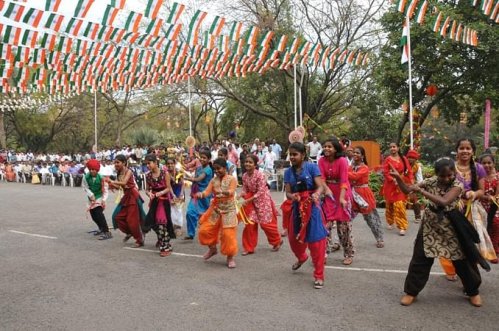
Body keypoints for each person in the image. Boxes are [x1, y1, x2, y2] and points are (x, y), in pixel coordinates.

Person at [393, 157, 485, 307]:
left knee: (461, 259)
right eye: (443, 176)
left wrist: (421, 191)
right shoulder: (431, 181)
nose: (447, 178)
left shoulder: (458, 185)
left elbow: (443, 201)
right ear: (437, 174)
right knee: (420, 258)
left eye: (450, 175)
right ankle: (411, 292)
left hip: (451, 224)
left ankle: (473, 291)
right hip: (430, 225)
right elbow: (407, 190)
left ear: (454, 173)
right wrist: (398, 178)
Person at [439, 139, 497, 280]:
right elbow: (442, 187)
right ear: (457, 151)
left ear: (473, 151)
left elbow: (482, 191)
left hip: (472, 210)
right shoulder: (450, 167)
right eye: (461, 148)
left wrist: (474, 194)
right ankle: (450, 270)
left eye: (468, 148)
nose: (465, 151)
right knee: (449, 239)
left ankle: (470, 275)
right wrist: (455, 198)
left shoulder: (479, 168)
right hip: (452, 208)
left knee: (470, 243)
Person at [284, 142, 328, 289]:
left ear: (303, 155)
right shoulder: (288, 172)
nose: (292, 157)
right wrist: (292, 196)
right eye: (290, 154)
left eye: (295, 154)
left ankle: (319, 275)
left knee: (316, 242)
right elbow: (288, 192)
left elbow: (320, 185)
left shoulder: (311, 167)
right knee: (293, 239)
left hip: (312, 207)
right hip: (297, 208)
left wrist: (316, 193)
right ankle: (302, 257)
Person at [196, 158, 239, 268]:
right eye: (215, 169)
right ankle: (212, 249)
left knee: (228, 235)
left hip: (229, 210)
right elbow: (207, 192)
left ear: (225, 168)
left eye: (218, 169)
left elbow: (232, 191)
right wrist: (201, 194)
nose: (216, 171)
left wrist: (225, 192)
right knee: (204, 230)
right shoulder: (213, 180)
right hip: (216, 209)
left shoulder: (232, 179)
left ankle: (230, 257)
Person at [319, 138, 354, 265]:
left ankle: (348, 253)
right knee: (325, 226)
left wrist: (341, 198)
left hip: (342, 193)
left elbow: (344, 180)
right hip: (328, 194)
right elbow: (321, 178)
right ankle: (323, 253)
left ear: (336, 149)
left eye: (330, 147)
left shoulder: (342, 161)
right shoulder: (321, 160)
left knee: (343, 227)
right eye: (325, 146)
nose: (326, 149)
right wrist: (326, 190)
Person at [240, 154, 282, 255]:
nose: (248, 164)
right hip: (251, 202)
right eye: (246, 162)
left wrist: (249, 199)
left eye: (250, 162)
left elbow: (261, 191)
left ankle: (277, 241)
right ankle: (249, 247)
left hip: (263, 201)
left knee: (266, 224)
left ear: (255, 165)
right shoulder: (245, 175)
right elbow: (245, 189)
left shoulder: (260, 175)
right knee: (250, 224)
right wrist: (241, 195)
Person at [348, 146, 384, 248]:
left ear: (362, 156)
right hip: (352, 194)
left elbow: (354, 176)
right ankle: (340, 241)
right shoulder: (350, 167)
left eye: (358, 153)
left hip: (364, 195)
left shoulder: (364, 167)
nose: (355, 154)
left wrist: (342, 172)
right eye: (354, 152)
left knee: (371, 219)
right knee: (346, 219)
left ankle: (379, 238)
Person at [110, 155, 146, 247]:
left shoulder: (128, 171)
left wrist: (112, 181)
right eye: (115, 162)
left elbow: (124, 182)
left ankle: (139, 240)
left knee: (132, 220)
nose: (116, 164)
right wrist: (111, 184)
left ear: (124, 163)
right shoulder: (119, 172)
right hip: (126, 196)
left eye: (118, 162)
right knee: (116, 217)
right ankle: (130, 232)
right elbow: (120, 187)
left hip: (133, 195)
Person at [144, 154, 175, 257]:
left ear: (155, 162)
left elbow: (168, 188)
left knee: (162, 224)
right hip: (154, 202)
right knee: (153, 223)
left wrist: (159, 193)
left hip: (163, 201)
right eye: (146, 163)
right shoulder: (148, 175)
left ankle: (165, 247)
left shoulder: (164, 173)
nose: (147, 165)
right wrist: (150, 194)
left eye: (149, 163)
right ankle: (163, 240)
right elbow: (147, 190)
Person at [382, 142, 413, 236]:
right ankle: (390, 221)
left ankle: (402, 226)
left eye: (394, 147)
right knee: (390, 204)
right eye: (391, 147)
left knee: (399, 204)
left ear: (398, 148)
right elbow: (385, 172)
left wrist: (410, 181)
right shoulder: (387, 159)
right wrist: (392, 179)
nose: (392, 148)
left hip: (401, 184)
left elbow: (409, 171)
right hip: (390, 185)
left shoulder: (403, 159)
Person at [184, 150, 213, 240]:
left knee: (206, 215)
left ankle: (211, 232)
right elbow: (190, 169)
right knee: (190, 212)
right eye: (201, 157)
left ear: (209, 159)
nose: (202, 159)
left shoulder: (208, 169)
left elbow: (199, 179)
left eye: (204, 158)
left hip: (205, 195)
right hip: (196, 194)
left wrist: (187, 178)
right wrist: (183, 169)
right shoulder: (199, 167)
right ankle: (191, 233)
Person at [82, 159, 112, 240]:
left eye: (93, 169)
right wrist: (91, 195)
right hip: (91, 197)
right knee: (93, 215)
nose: (92, 171)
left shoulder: (102, 178)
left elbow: (105, 190)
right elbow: (85, 187)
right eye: (90, 169)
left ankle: (107, 232)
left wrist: (104, 199)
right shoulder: (86, 177)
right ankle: (101, 228)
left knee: (99, 214)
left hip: (99, 197)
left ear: (97, 169)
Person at [479, 153, 499, 262]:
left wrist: (493, 198)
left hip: (494, 207)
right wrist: (486, 197)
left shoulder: (498, 177)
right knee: (480, 226)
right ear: (480, 164)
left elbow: (497, 195)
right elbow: (478, 193)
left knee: (495, 223)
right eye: (484, 163)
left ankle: (494, 250)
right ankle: (482, 251)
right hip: (480, 206)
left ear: (493, 163)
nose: (487, 165)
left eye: (489, 163)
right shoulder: (479, 177)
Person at [166, 157, 185, 237]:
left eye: (171, 164)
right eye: (168, 164)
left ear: (174, 164)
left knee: (179, 210)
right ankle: (174, 227)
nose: (170, 165)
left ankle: (179, 227)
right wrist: (172, 195)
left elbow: (183, 183)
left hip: (179, 192)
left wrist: (181, 194)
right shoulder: (166, 174)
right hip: (171, 193)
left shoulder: (179, 172)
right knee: (172, 211)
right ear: (166, 165)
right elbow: (168, 186)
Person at [406, 149, 424, 223]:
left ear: (415, 159)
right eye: (409, 157)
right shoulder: (403, 164)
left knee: (414, 200)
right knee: (397, 202)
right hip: (400, 184)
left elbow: (420, 179)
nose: (410, 159)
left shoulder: (417, 167)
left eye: (412, 158)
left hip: (411, 185)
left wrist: (417, 187)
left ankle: (418, 217)